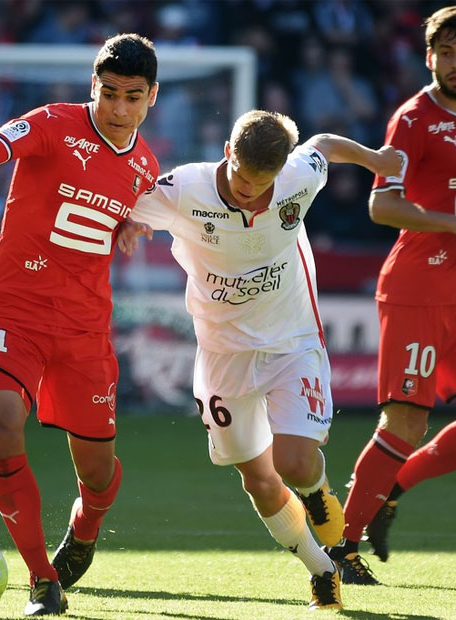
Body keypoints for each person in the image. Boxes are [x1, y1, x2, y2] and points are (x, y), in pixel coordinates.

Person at [0, 33, 159, 616]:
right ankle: (43, 582)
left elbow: (117, 210)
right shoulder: (54, 123)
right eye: (109, 93)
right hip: (12, 309)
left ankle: (86, 527)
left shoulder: (145, 165)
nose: (118, 108)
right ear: (94, 85)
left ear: (151, 99)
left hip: (85, 328)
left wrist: (125, 228)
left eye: (132, 97)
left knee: (97, 473)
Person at [119, 110, 401, 611]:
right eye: (243, 179)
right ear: (228, 153)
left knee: (291, 460)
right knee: (256, 478)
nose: (250, 192)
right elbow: (121, 200)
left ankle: (316, 496)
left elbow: (326, 144)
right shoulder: (186, 189)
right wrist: (128, 223)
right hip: (223, 353)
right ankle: (321, 568)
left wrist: (375, 158)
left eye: (261, 183)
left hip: (292, 340)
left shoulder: (296, 176)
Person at [326, 6, 456, 584]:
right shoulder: (412, 120)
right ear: (428, 56)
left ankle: (395, 487)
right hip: (414, 290)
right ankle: (341, 549)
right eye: (446, 52)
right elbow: (381, 206)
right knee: (402, 424)